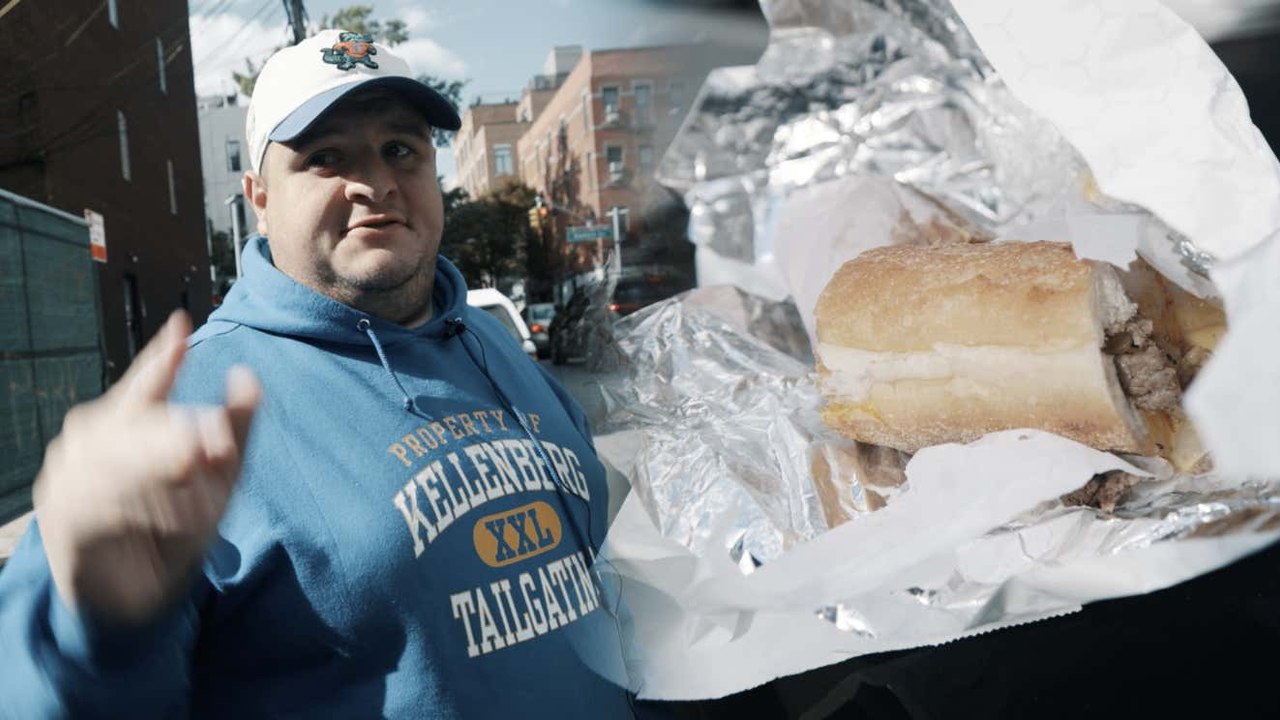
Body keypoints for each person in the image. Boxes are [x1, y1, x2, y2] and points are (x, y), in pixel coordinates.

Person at [0, 29, 639, 718]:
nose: (377, 183)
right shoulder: (191, 408)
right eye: (326, 157)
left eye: (401, 149)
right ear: (260, 197)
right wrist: (88, 635)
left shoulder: (491, 341)